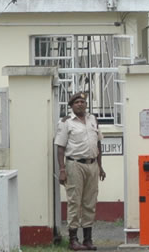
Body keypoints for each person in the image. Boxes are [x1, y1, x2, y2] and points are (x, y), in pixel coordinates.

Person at [54, 92, 104, 250]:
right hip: (75, 165)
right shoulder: (66, 122)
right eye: (77, 102)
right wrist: (62, 169)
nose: (80, 104)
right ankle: (73, 240)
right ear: (71, 106)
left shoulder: (93, 119)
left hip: (92, 165)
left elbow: (98, 144)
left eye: (83, 101)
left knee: (90, 202)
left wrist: (100, 166)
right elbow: (60, 147)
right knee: (74, 202)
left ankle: (88, 239)